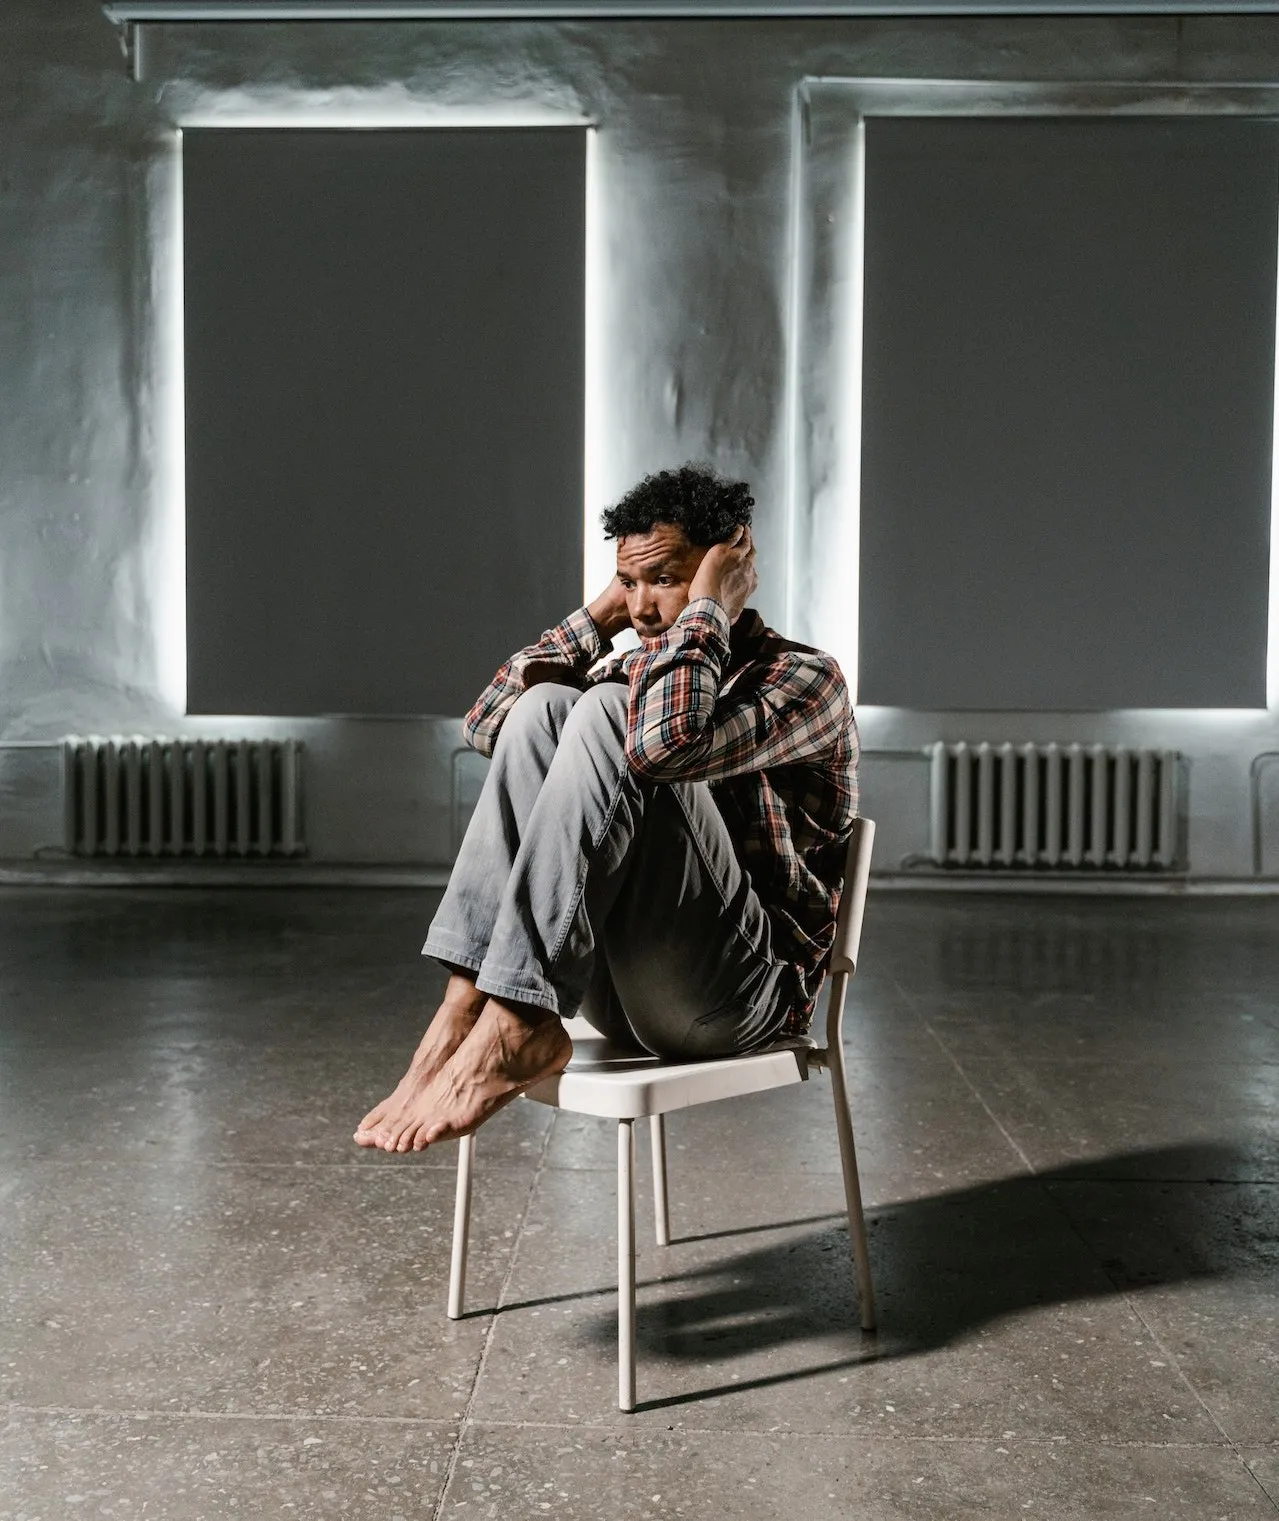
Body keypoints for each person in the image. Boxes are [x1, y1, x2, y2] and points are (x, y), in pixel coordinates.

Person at [354, 462, 859, 1154]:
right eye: (631, 581)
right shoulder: (637, 655)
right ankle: (466, 1010)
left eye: (666, 578)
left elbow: (662, 748)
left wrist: (707, 607)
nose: (646, 608)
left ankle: (515, 1024)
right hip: (616, 989)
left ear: (729, 570)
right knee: (544, 705)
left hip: (739, 1000)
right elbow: (486, 726)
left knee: (605, 712)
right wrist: (602, 614)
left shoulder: (802, 680)